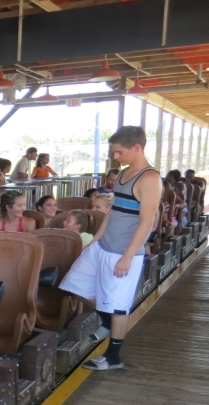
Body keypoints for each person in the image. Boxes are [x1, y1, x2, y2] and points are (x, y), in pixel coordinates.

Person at [59, 126, 161, 371]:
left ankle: (113, 355)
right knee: (73, 282)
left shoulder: (149, 178)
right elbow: (114, 212)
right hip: (104, 246)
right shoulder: (124, 174)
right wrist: (94, 241)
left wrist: (128, 257)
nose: (116, 157)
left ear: (136, 148)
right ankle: (105, 321)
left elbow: (147, 221)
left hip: (124, 252)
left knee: (118, 304)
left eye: (119, 152)